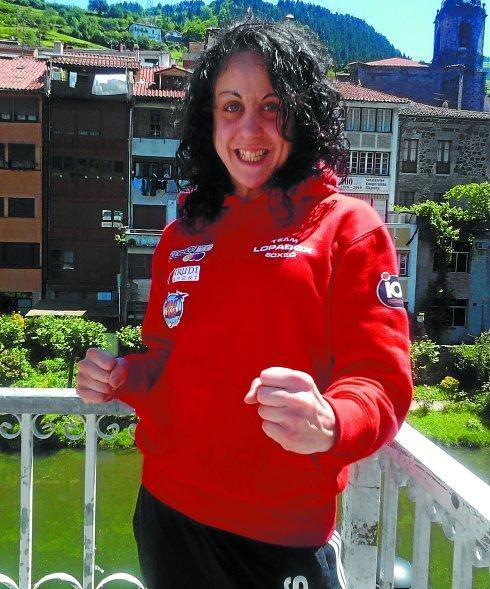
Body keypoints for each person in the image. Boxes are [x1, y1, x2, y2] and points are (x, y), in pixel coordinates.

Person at [76, 21, 412, 589]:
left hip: (279, 535)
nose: (250, 128)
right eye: (231, 106)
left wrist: (332, 421)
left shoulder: (348, 227)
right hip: (166, 510)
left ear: (302, 116)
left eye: (272, 106)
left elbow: (380, 379)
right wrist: (120, 376)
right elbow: (165, 357)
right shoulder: (182, 233)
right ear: (209, 121)